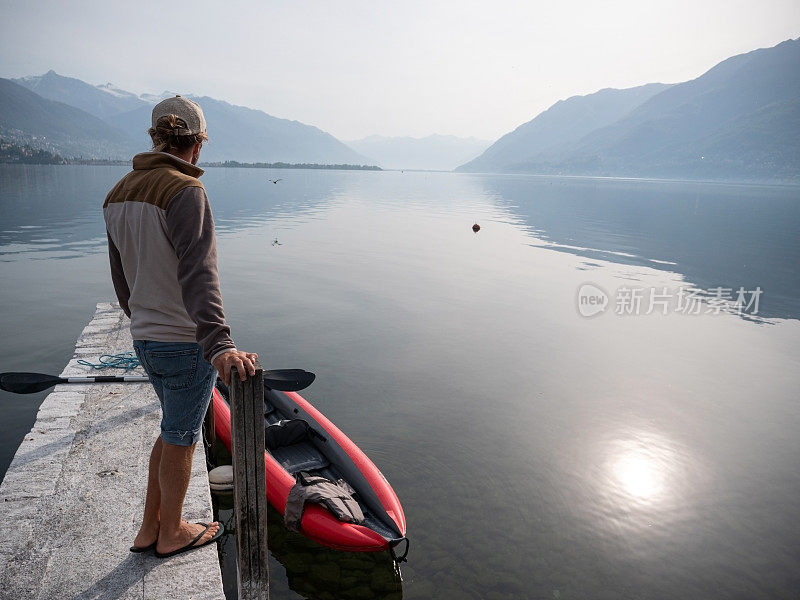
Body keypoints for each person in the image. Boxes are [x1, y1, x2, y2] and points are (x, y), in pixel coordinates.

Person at [103, 95, 257, 558]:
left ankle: (150, 527)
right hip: (185, 343)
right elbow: (199, 273)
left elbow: (122, 281)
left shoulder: (118, 193)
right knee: (181, 436)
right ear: (197, 144)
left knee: (172, 429)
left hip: (146, 340)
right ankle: (171, 531)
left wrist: (142, 322)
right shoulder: (186, 191)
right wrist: (219, 343)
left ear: (157, 137)